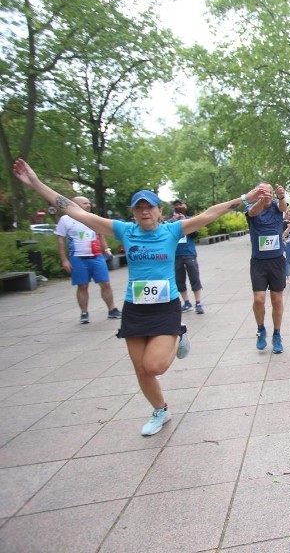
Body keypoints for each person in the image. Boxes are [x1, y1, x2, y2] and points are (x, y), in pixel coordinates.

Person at [14, 158, 260, 436]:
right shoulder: (124, 230)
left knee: (154, 365)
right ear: (133, 213)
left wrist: (244, 198)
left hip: (166, 307)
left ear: (159, 211)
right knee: (142, 369)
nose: (144, 212)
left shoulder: (172, 230)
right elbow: (73, 210)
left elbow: (209, 214)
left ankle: (178, 334)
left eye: (149, 207)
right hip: (135, 307)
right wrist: (35, 183)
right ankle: (160, 410)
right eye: (139, 208)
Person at [54, 196, 121, 324]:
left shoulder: (92, 217)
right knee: (82, 286)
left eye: (89, 203)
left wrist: (107, 250)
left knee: (105, 284)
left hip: (96, 256)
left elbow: (100, 234)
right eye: (85, 203)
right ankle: (84, 313)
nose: (88, 205)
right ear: (76, 204)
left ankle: (112, 310)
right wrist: (64, 260)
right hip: (78, 258)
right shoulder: (65, 219)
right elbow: (60, 240)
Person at [247, 183, 288, 354]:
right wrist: (260, 202)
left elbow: (283, 206)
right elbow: (253, 212)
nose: (266, 195)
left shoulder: (276, 207)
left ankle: (277, 334)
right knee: (259, 299)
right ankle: (261, 329)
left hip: (277, 261)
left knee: (277, 300)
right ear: (257, 194)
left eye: (269, 192)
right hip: (259, 262)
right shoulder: (251, 207)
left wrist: (281, 196)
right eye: (262, 192)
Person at [169, 199, 204, 314]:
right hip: (176, 254)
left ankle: (198, 302)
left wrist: (185, 222)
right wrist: (173, 223)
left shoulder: (189, 220)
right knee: (179, 280)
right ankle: (186, 302)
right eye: (176, 205)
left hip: (189, 253)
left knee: (194, 278)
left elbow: (195, 235)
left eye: (180, 205)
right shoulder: (169, 222)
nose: (178, 207)